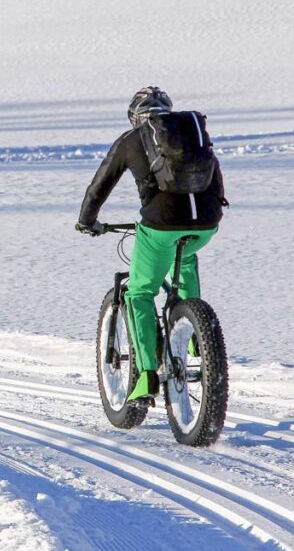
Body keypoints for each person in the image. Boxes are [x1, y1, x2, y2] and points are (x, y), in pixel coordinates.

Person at [75, 86, 226, 401]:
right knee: (184, 258)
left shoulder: (130, 141)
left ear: (135, 117)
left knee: (139, 292)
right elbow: (215, 178)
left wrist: (87, 220)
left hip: (159, 227)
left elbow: (99, 186)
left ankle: (146, 375)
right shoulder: (192, 136)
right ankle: (195, 339)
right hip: (205, 226)